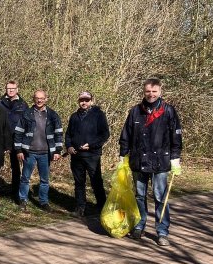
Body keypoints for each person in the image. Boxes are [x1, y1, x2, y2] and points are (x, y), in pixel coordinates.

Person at [119, 78, 182, 246]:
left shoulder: (168, 111)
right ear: (144, 92)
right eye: (148, 91)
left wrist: (175, 158)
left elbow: (176, 136)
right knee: (139, 196)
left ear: (160, 91)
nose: (151, 94)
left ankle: (162, 232)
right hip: (138, 161)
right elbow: (126, 135)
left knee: (160, 196)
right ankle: (139, 226)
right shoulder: (135, 111)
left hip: (161, 162)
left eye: (154, 91)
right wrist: (122, 156)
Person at [14, 89, 64, 210]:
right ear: (33, 99)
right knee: (25, 178)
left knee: (44, 180)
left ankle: (43, 202)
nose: (39, 100)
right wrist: (19, 150)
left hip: (45, 153)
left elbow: (58, 133)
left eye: (42, 98)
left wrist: (57, 151)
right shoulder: (27, 114)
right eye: (37, 98)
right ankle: (23, 200)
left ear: (46, 99)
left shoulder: (53, 115)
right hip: (29, 152)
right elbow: (18, 133)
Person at [65, 91, 110, 217]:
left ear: (91, 101)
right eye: (81, 100)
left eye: (86, 100)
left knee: (96, 181)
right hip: (76, 156)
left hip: (92, 155)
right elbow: (68, 134)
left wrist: (91, 145)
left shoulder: (99, 115)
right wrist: (69, 146)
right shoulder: (74, 116)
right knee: (79, 182)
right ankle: (80, 208)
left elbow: (105, 134)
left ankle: (101, 207)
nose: (83, 102)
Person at [0, 80, 29, 202]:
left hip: (16, 140)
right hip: (0, 140)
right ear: (6, 89)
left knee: (16, 168)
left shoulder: (23, 104)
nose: (10, 90)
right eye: (8, 88)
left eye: (13, 88)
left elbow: (26, 124)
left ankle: (16, 193)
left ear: (17, 89)